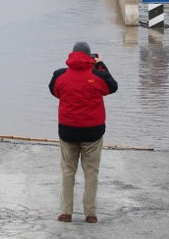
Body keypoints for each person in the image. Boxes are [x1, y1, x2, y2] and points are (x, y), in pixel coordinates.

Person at [48, 41, 118, 224]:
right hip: (92, 133)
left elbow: (55, 91)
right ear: (90, 57)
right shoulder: (98, 75)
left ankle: (66, 212)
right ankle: (90, 213)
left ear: (72, 55)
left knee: (68, 172)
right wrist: (100, 64)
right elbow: (112, 87)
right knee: (91, 173)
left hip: (68, 131)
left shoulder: (60, 75)